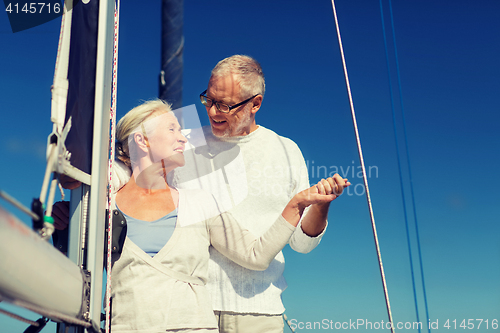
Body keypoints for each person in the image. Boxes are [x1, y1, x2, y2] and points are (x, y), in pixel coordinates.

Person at [52, 99, 348, 332]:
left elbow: (256, 255)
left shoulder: (200, 202)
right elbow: (74, 261)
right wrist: (64, 224)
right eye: (172, 129)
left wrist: (297, 203)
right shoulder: (103, 204)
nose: (183, 138)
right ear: (142, 141)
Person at [167, 55, 350, 332]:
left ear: (256, 103)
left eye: (226, 105)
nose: (214, 112)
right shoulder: (184, 143)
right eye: (209, 99)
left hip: (260, 312)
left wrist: (322, 204)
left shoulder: (286, 151)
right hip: (188, 307)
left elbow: (302, 244)